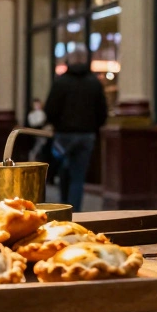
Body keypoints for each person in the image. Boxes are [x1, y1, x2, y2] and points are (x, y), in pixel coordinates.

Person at [44, 47, 107, 212]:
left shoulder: (61, 82)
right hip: (86, 136)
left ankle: (63, 206)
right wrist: (94, 127)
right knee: (78, 176)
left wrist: (56, 124)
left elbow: (50, 109)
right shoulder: (94, 83)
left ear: (69, 61)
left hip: (63, 136)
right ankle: (75, 211)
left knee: (63, 172)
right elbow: (102, 111)